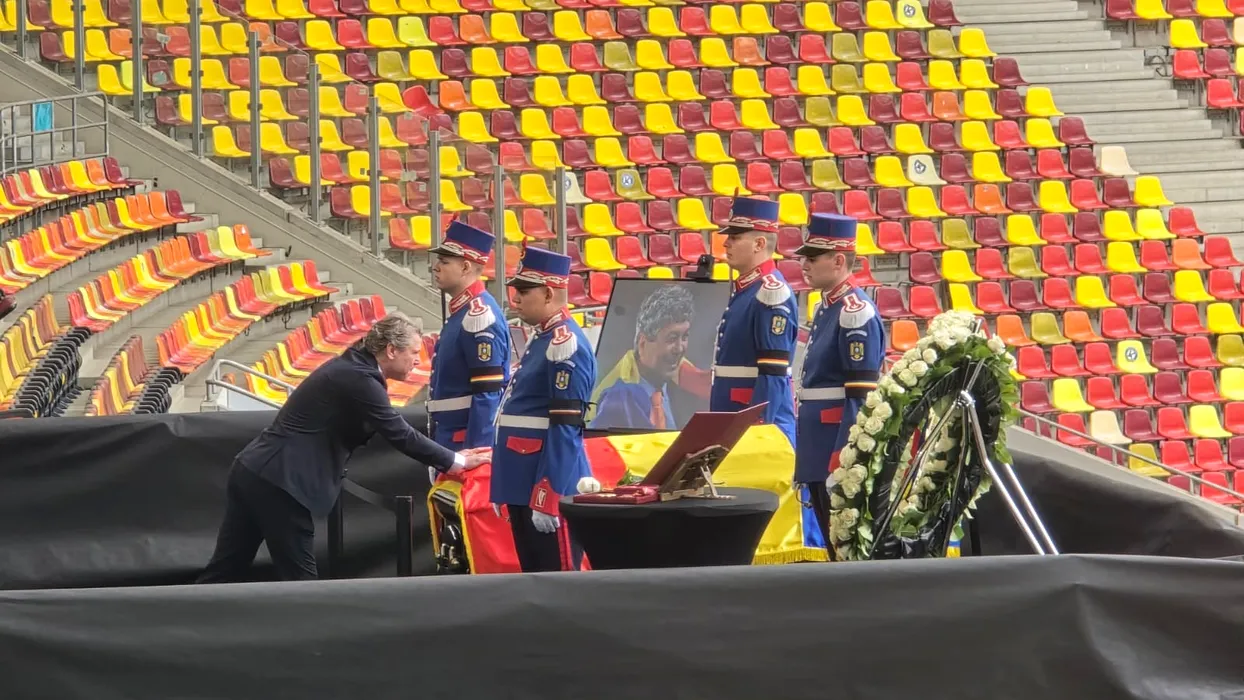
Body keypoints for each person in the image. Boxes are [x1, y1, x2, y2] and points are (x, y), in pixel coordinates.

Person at [198, 313, 490, 583]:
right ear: (391, 350)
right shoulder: (358, 377)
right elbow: (398, 432)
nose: (418, 360)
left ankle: (183, 618)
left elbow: (386, 427)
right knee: (299, 581)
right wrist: (456, 461)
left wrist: (449, 457)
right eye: (414, 353)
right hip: (281, 482)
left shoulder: (354, 368)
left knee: (225, 570)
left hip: (256, 471)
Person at [489, 247, 597, 572]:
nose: (515, 299)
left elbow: (565, 427)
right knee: (534, 577)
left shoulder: (565, 344)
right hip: (523, 480)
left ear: (549, 293)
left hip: (545, 482)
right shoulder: (544, 338)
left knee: (557, 580)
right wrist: (504, 484)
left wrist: (547, 494)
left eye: (524, 291)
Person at [795, 213, 886, 546]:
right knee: (832, 540)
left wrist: (844, 456)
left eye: (813, 257)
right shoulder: (828, 306)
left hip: (835, 443)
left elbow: (860, 396)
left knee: (845, 544)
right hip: (819, 442)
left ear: (837, 261)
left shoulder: (853, 311)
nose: (804, 264)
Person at [710, 196, 799, 448]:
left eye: (735, 237)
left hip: (754, 424)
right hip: (734, 418)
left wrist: (758, 429)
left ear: (759, 243)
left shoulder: (771, 292)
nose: (726, 242)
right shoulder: (749, 289)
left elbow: (772, 373)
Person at [426, 221, 511, 457]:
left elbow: (487, 393)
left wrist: (477, 452)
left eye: (444, 262)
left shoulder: (479, 317)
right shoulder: (464, 311)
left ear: (465, 267)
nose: (435, 267)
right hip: (450, 435)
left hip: (463, 441)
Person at [589, 284, 695, 431]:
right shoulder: (618, 397)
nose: (680, 348)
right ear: (642, 343)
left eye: (685, 337)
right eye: (672, 338)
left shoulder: (686, 394)